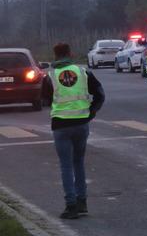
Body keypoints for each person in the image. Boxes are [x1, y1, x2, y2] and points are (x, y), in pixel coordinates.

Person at [42, 43, 105, 219]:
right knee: (78, 162)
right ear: (70, 53)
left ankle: (71, 206)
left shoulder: (51, 76)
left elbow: (45, 99)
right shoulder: (83, 72)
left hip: (61, 125)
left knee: (66, 165)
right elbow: (100, 95)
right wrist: (90, 112)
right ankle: (82, 202)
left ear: (55, 56)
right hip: (81, 124)